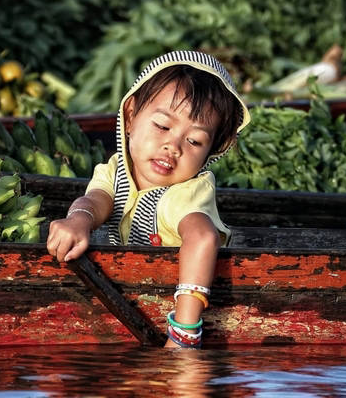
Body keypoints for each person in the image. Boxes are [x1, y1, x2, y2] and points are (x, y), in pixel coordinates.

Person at [46, 50, 250, 348]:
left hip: (179, 316)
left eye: (194, 141)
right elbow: (96, 199)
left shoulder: (185, 194)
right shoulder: (118, 169)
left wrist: (184, 332)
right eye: (162, 126)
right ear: (130, 116)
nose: (173, 146)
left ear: (212, 150)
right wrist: (79, 220)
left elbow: (204, 239)